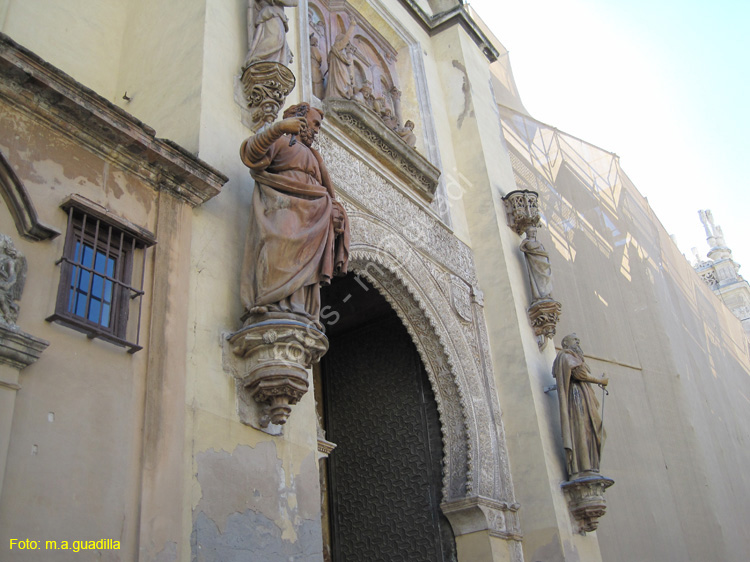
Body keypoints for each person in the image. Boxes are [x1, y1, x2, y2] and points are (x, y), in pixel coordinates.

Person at [239, 103, 349, 329]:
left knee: (306, 260)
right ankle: (270, 303)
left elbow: (329, 193)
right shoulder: (280, 141)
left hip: (314, 218)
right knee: (280, 247)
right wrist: (278, 128)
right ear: (300, 118)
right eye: (315, 123)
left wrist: (336, 213)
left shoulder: (314, 156)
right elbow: (251, 154)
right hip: (283, 207)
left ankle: (302, 311)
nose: (317, 129)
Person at [552, 334, 608, 480]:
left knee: (591, 430)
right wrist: (600, 380)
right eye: (574, 340)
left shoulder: (574, 357)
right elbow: (580, 374)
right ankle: (582, 466)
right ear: (565, 343)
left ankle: (590, 465)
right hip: (577, 397)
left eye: (578, 340)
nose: (578, 342)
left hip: (583, 395)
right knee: (582, 429)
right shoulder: (566, 356)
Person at [244, 0, 298, 66]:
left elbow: (295, 2)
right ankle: (258, 57)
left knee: (279, 40)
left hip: (276, 15)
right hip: (270, 15)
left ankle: (268, 60)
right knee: (277, 39)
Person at [519, 226, 553, 300]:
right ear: (528, 233)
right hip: (536, 264)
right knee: (539, 279)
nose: (534, 233)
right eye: (532, 232)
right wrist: (538, 243)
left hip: (543, 263)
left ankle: (546, 294)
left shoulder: (539, 243)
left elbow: (544, 252)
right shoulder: (528, 242)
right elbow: (530, 247)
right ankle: (541, 294)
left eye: (535, 232)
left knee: (545, 279)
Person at [325, 24, 357, 99]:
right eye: (346, 44)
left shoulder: (339, 52)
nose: (346, 46)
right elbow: (346, 38)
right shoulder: (337, 47)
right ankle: (339, 95)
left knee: (344, 83)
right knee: (342, 84)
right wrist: (352, 25)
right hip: (339, 71)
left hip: (340, 71)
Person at [310, 35, 326, 99]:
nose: (317, 43)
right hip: (315, 67)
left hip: (312, 66)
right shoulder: (313, 48)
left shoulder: (309, 48)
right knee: (317, 84)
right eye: (316, 42)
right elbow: (319, 58)